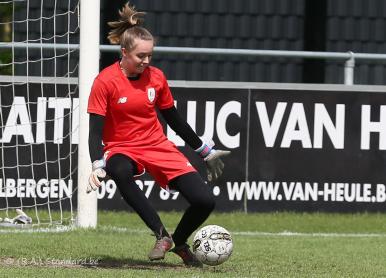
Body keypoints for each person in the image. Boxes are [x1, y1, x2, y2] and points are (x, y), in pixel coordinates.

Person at [86, 3, 230, 267]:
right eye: (141, 56)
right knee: (118, 168)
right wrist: (97, 164)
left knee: (204, 200)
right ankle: (161, 234)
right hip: (122, 147)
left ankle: (180, 242)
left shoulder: (157, 78)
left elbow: (174, 119)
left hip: (157, 145)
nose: (147, 61)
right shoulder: (105, 81)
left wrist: (205, 151)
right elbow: (94, 131)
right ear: (124, 52)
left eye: (150, 55)